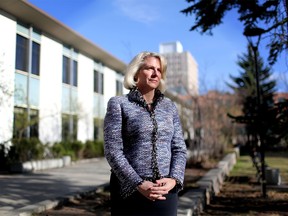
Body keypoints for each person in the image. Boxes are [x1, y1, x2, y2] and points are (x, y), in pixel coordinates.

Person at [103, 51, 187, 216]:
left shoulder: (170, 107)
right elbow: (113, 151)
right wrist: (138, 183)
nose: (156, 73)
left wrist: (174, 179)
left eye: (159, 69)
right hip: (129, 191)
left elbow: (179, 148)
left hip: (165, 191)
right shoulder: (119, 104)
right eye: (149, 68)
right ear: (135, 73)